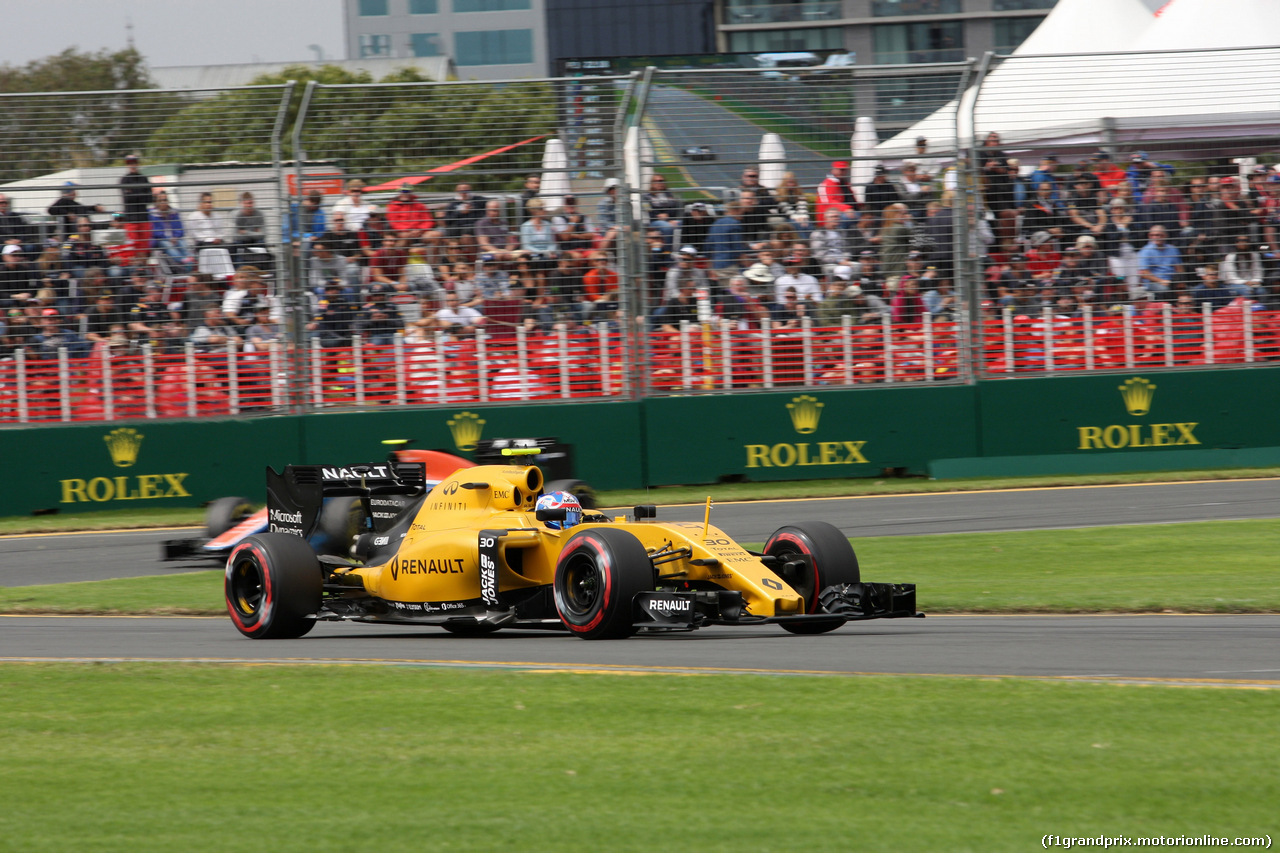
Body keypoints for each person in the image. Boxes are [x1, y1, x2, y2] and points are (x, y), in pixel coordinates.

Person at [119, 153, 153, 263]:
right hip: (131, 221)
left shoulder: (144, 179)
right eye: (130, 163)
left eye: (134, 163)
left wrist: (133, 193)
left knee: (144, 250)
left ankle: (143, 271)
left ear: (137, 164)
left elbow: (149, 199)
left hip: (143, 219)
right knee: (132, 249)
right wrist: (141, 193)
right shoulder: (124, 180)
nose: (132, 165)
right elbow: (127, 198)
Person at [148, 190, 188, 272]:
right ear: (156, 202)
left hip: (175, 238)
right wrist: (168, 238)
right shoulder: (152, 214)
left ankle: (188, 265)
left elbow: (181, 229)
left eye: (165, 200)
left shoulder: (174, 213)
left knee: (183, 243)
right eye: (160, 200)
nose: (163, 202)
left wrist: (175, 237)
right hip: (160, 240)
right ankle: (181, 260)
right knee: (166, 244)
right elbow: (154, 231)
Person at [1136, 225, 1181, 298]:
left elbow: (1179, 268)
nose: (1155, 237)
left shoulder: (1173, 249)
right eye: (1152, 235)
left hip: (1172, 280)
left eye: (1158, 235)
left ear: (1165, 236)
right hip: (1154, 282)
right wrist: (1161, 281)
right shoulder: (1146, 251)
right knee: (1165, 290)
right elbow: (1144, 273)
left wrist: (1181, 282)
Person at [231, 192, 267, 268]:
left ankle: (261, 268)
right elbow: (235, 236)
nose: (249, 206)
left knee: (262, 242)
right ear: (241, 204)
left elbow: (263, 234)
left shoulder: (259, 214)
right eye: (246, 203)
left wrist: (245, 232)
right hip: (241, 242)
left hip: (255, 241)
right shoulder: (236, 215)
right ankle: (240, 269)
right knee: (237, 244)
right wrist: (254, 232)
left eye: (251, 203)